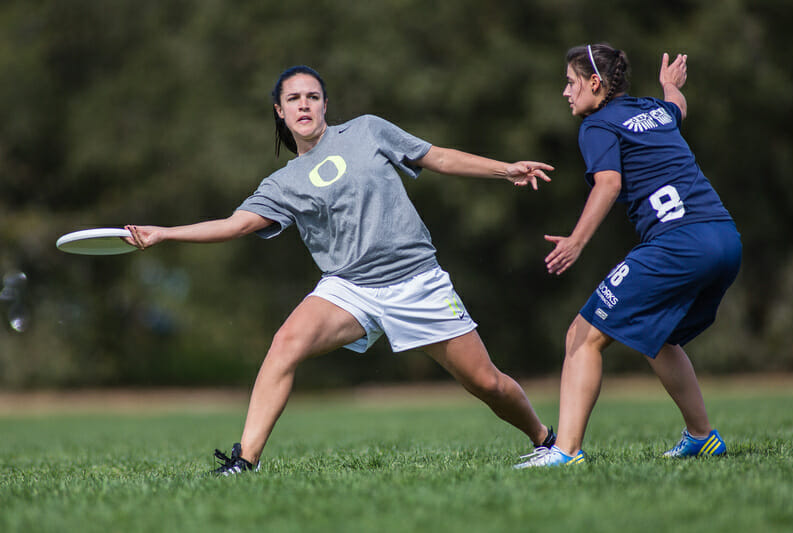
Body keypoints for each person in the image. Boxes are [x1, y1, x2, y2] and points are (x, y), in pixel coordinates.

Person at [125, 65, 556, 475]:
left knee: (486, 384)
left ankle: (546, 441)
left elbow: (437, 157)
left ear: (326, 104)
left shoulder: (367, 130)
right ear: (280, 110)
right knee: (285, 344)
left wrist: (505, 170)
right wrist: (165, 233)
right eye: (293, 99)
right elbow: (234, 225)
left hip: (417, 281)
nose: (304, 105)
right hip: (350, 287)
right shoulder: (282, 183)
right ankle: (245, 462)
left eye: (312, 96)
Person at [515, 45, 741, 468]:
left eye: (570, 82)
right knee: (661, 336)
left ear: (595, 83)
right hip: (725, 238)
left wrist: (578, 240)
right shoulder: (654, 109)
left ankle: (565, 451)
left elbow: (609, 184)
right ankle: (702, 437)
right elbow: (678, 106)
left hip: (678, 245)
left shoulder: (596, 125)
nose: (565, 92)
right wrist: (671, 86)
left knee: (581, 337)